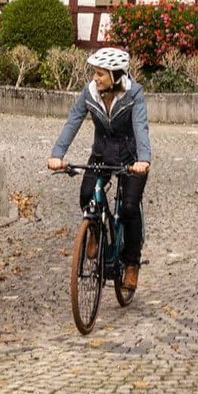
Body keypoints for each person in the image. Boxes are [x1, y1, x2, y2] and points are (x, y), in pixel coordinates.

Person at [47, 47, 152, 292]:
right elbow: (72, 121)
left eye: (101, 74)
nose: (95, 78)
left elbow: (141, 128)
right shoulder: (90, 93)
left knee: (128, 208)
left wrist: (143, 160)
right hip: (101, 153)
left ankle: (131, 264)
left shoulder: (133, 94)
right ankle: (94, 228)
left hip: (130, 156)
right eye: (95, 73)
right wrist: (57, 155)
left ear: (115, 77)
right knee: (86, 195)